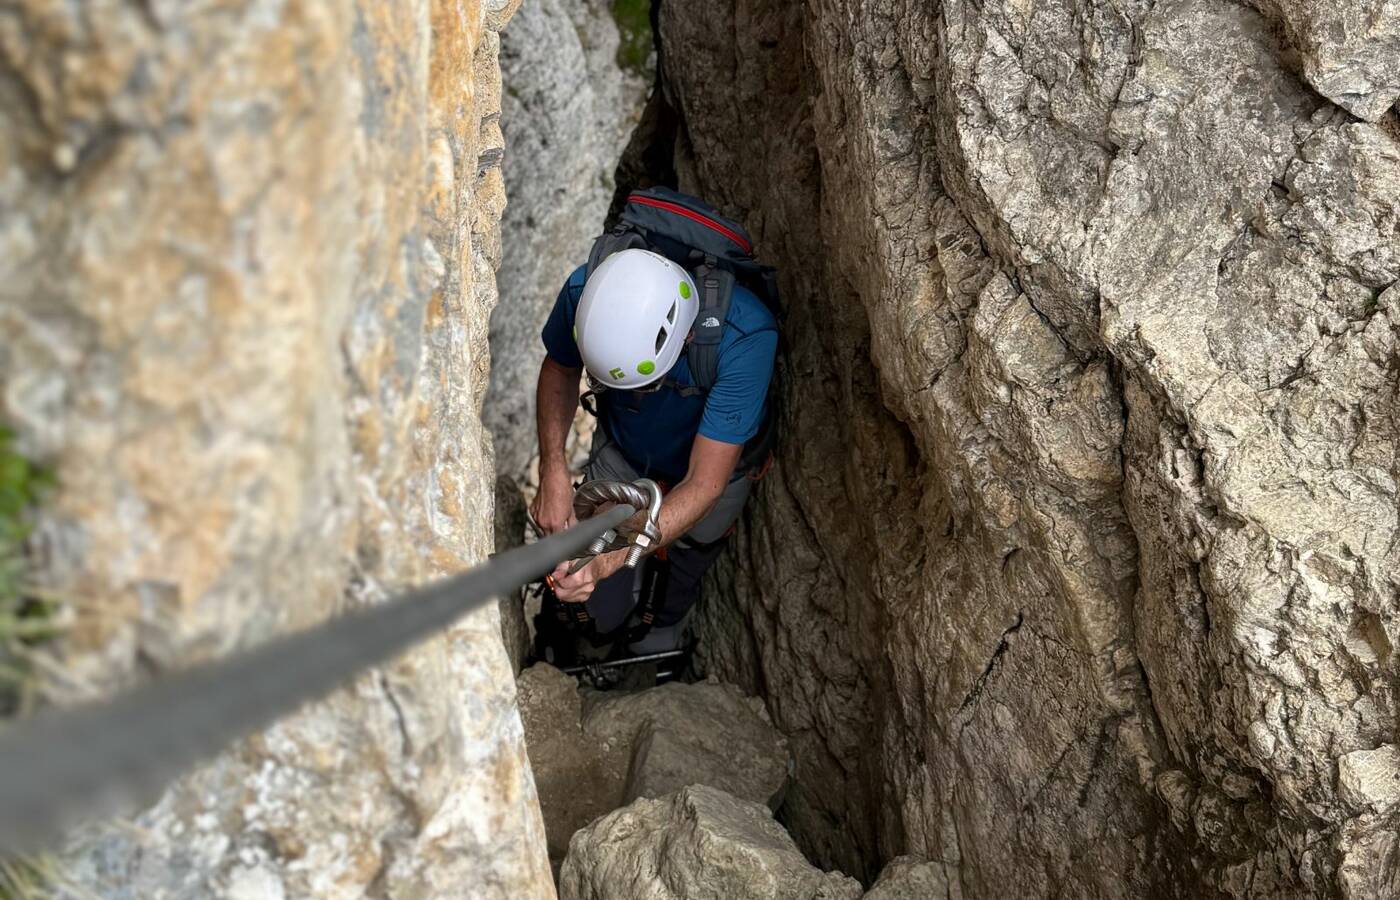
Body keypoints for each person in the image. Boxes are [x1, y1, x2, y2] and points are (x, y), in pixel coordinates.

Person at [530, 246, 778, 654]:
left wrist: (608, 559)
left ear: (687, 338)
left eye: (645, 385)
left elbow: (703, 484)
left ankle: (661, 627)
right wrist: (552, 470)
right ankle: (577, 632)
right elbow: (560, 366)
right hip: (627, 447)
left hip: (713, 468)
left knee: (694, 542)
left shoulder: (744, 337)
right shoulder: (585, 293)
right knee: (587, 548)